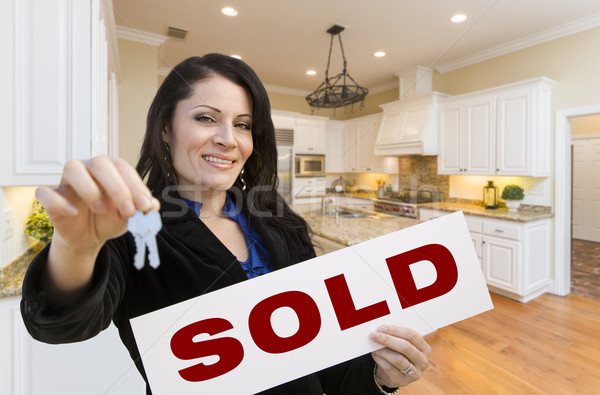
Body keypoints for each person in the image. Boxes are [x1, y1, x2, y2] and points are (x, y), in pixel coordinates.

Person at [20, 54, 431, 394]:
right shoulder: (130, 229)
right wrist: (76, 247)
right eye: (205, 118)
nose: (228, 138)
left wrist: (382, 378)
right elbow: (60, 325)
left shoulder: (278, 221)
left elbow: (326, 359)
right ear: (165, 128)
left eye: (242, 124)